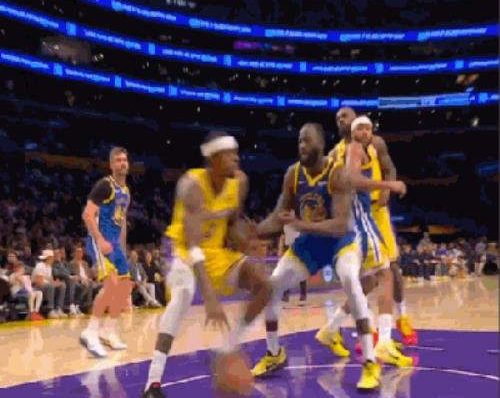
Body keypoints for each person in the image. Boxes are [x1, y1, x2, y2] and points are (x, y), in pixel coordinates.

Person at [251, 123, 406, 391]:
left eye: (307, 141)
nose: (301, 145)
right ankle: (274, 353)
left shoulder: (337, 173)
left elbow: (341, 224)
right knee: (272, 286)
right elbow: (278, 215)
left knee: (351, 280)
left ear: (321, 145)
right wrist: (253, 233)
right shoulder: (293, 174)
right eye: (299, 141)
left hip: (341, 240)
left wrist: (299, 224)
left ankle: (370, 362)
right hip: (311, 242)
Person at [143, 132, 272, 398]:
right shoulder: (191, 185)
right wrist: (210, 295)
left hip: (215, 252)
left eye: (236, 152)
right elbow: (192, 245)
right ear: (213, 159)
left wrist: (245, 237)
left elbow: (232, 222)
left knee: (264, 285)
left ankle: (227, 348)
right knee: (183, 294)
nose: (236, 158)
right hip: (181, 249)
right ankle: (152, 383)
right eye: (229, 154)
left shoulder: (240, 182)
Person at [330, 107, 418, 346]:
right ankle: (369, 329)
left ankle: (402, 317)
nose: (341, 120)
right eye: (338, 118)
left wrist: (388, 188)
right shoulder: (336, 152)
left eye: (345, 116)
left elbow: (390, 168)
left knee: (392, 268)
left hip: (377, 212)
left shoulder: (375, 143)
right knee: (362, 277)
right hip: (354, 216)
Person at [80, 147, 132, 358]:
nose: (122, 163)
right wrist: (100, 240)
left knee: (125, 286)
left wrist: (123, 250)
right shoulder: (104, 185)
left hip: (115, 244)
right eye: (118, 160)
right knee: (111, 285)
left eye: (125, 159)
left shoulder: (126, 191)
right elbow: (88, 214)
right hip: (100, 240)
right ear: (111, 165)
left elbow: (122, 223)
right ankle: (90, 332)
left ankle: (108, 331)